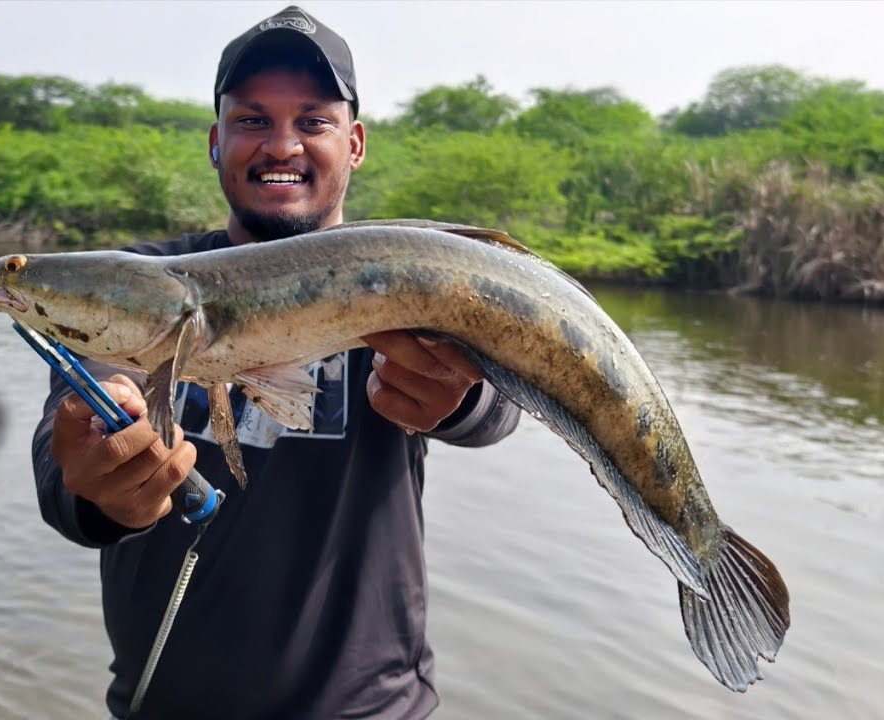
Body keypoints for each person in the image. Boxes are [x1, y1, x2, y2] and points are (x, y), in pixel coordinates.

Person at [30, 6, 521, 719]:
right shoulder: (139, 283)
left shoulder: (400, 273)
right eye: (253, 120)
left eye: (313, 121)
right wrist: (101, 484)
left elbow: (507, 397)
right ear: (215, 140)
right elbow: (66, 461)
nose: (282, 144)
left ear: (354, 143)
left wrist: (462, 398)